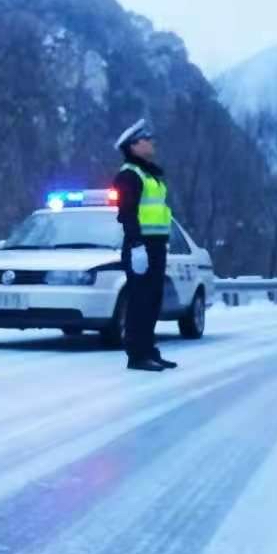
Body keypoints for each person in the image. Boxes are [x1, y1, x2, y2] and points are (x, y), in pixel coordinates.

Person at [112, 119, 179, 372]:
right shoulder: (130, 175)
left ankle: (149, 350)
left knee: (153, 300)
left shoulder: (150, 174)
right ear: (134, 145)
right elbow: (127, 213)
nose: (152, 143)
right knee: (139, 301)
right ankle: (136, 355)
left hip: (156, 245)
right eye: (146, 140)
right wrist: (137, 246)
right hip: (140, 245)